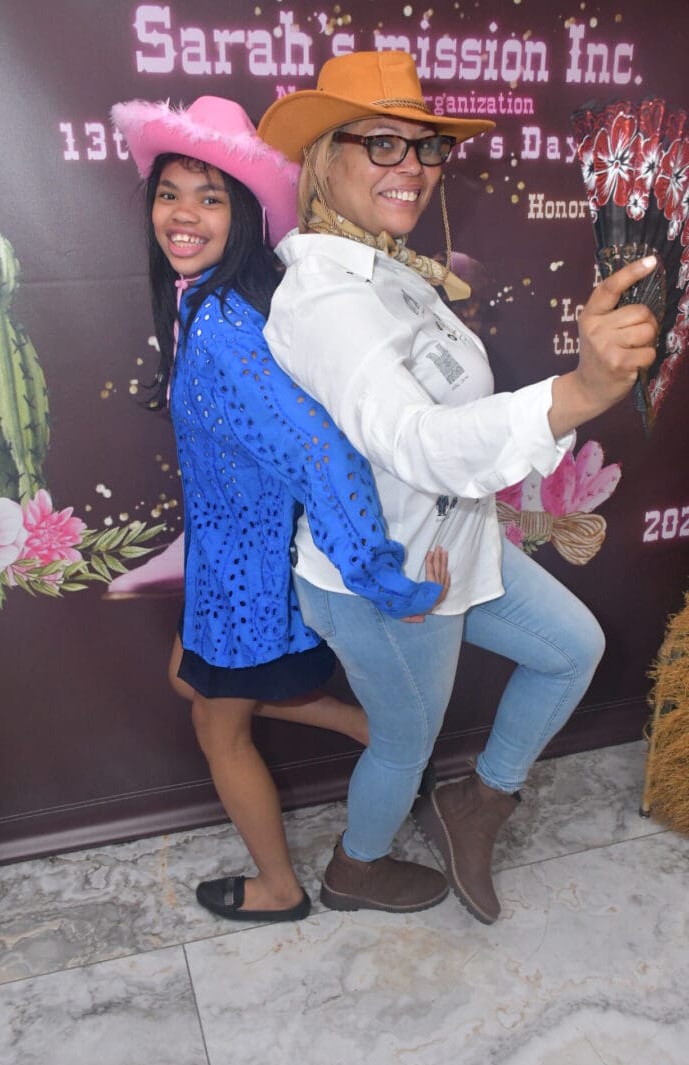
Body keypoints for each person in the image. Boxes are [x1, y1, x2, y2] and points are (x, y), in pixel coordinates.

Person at [257, 50, 659, 923]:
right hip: (390, 579)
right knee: (405, 741)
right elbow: (416, 442)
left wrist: (572, 391)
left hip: (460, 544)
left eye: (427, 148)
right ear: (326, 158)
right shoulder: (327, 296)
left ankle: (479, 805)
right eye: (383, 144)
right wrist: (582, 393)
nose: (414, 168)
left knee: (571, 649)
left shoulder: (390, 266)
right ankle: (355, 867)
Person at [110, 94, 450, 923]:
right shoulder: (202, 303)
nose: (183, 215)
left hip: (250, 584)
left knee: (218, 735)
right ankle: (386, 743)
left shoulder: (227, 326)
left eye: (210, 196)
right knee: (189, 684)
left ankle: (280, 889)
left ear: (246, 210)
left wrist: (383, 579)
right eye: (170, 193)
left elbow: (321, 455)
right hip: (225, 573)